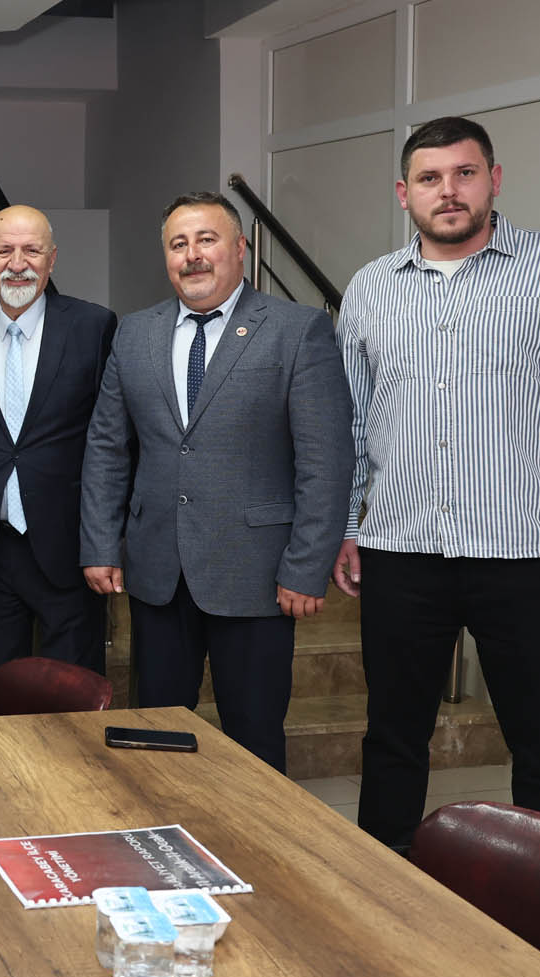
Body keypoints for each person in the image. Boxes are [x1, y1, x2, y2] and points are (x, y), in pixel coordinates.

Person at [333, 116, 540, 851]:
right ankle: (384, 882)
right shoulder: (371, 287)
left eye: (465, 173)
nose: (448, 190)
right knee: (392, 735)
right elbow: (351, 421)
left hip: (528, 554)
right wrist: (347, 523)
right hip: (401, 551)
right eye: (429, 178)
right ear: (404, 193)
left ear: (494, 180)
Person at [79, 194, 352, 770]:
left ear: (240, 248)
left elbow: (325, 462)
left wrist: (306, 567)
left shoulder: (297, 329)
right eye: (178, 244)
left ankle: (256, 830)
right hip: (158, 571)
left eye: (207, 239)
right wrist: (101, 543)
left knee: (254, 740)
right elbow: (107, 446)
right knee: (154, 734)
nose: (193, 255)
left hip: (257, 576)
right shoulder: (134, 333)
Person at [0, 205, 116, 688]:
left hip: (71, 546)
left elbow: (114, 440)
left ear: (52, 259)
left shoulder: (94, 327)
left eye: (32, 250)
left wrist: (107, 540)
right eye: (5, 251)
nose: (18, 263)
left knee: (74, 694)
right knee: (3, 688)